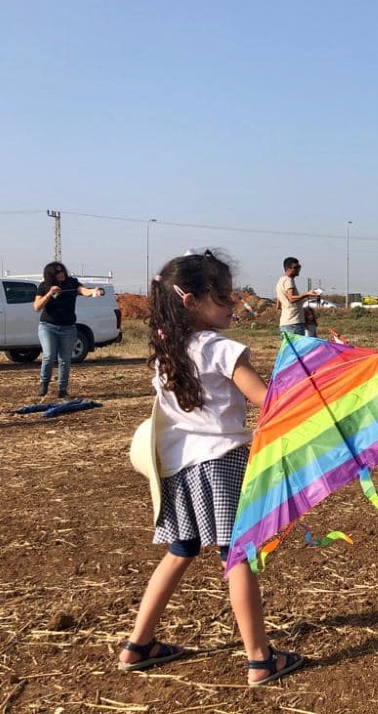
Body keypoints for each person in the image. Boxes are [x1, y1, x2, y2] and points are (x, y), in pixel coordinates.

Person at [119, 251, 304, 686]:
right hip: (220, 465)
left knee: (181, 550)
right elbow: (268, 400)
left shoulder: (168, 350)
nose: (230, 303)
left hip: (178, 469)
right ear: (189, 301)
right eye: (220, 295)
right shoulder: (220, 348)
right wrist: (309, 380)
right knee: (236, 555)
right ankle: (260, 659)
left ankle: (137, 645)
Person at [32, 261, 106, 398]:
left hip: (68, 327)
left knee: (65, 358)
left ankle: (62, 389)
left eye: (62, 271)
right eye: (58, 272)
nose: (62, 274)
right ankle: (44, 382)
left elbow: (83, 290)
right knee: (49, 355)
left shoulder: (72, 283)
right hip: (48, 326)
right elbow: (37, 307)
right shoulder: (44, 286)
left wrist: (94, 292)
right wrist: (49, 294)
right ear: (51, 275)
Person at [275, 257, 319, 336]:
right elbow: (291, 298)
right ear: (288, 268)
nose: (298, 269)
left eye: (299, 267)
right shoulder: (289, 280)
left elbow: (278, 305)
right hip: (294, 323)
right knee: (297, 347)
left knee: (288, 348)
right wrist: (307, 294)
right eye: (296, 267)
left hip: (285, 322)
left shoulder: (280, 281)